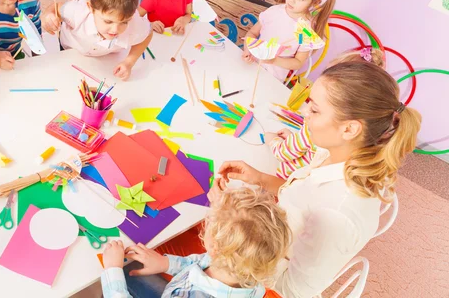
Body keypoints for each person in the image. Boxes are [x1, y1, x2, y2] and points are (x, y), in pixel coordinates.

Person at [218, 61, 421, 297]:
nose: (304, 114)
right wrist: (261, 178)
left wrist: (229, 229)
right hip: (267, 241)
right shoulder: (334, 152)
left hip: (261, 276)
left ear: (349, 129)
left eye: (314, 110)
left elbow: (291, 291)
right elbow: (301, 198)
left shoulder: (336, 214)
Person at [101, 188, 291, 297]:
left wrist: (112, 270)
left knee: (123, 271)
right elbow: (201, 262)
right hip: (178, 287)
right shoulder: (243, 269)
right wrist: (166, 264)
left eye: (209, 223)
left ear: (214, 247)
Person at [266, 47, 385, 179]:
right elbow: (306, 147)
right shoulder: (358, 141)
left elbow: (283, 153)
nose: (305, 111)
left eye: (314, 109)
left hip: (285, 179)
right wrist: (293, 139)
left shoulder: (313, 129)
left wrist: (272, 140)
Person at [43, 0, 151, 81]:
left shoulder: (135, 23)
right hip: (69, 49)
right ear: (91, 8)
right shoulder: (78, 12)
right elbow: (57, 8)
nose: (115, 29)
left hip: (104, 61)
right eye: (108, 21)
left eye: (124, 22)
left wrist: (129, 62)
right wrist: (48, 16)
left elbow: (148, 33)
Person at [243, 0, 336, 81]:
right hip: (250, 67)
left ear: (315, 3)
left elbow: (298, 62)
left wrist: (274, 60)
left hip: (271, 80)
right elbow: (252, 33)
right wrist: (247, 50)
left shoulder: (305, 30)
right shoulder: (274, 12)